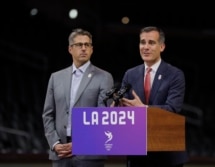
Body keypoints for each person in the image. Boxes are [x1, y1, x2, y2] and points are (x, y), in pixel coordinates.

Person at [42, 28, 114, 167]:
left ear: (92, 49)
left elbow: (103, 117)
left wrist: (80, 143)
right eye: (79, 45)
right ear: (70, 49)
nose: (83, 48)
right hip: (60, 152)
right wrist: (55, 143)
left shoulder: (104, 77)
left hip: (90, 153)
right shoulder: (56, 77)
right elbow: (48, 114)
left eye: (87, 45)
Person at [119, 26, 188, 167]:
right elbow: (123, 103)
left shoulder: (175, 75)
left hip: (167, 153)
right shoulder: (130, 74)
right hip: (137, 152)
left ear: (162, 46)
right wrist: (115, 105)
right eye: (142, 42)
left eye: (151, 43)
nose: (145, 47)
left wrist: (143, 109)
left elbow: (173, 108)